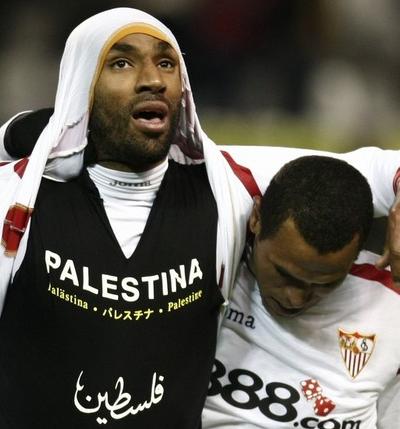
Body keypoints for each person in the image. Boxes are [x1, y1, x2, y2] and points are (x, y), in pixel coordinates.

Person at [0, 6, 400, 428]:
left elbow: (362, 173)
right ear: (83, 82)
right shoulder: (16, 195)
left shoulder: (225, 185)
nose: (153, 79)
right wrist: (31, 131)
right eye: (121, 63)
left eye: (166, 64)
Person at [202, 156, 400, 429]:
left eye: (325, 284)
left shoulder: (390, 304)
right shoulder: (205, 252)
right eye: (284, 273)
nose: (295, 299)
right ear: (256, 219)